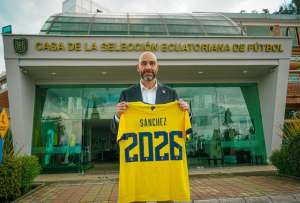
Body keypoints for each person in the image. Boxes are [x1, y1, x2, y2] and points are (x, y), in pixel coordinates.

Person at [111, 51, 190, 135]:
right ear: (138, 67)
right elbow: (115, 131)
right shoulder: (127, 94)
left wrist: (186, 113)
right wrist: (118, 116)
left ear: (157, 67)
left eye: (152, 63)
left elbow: (183, 127)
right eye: (144, 63)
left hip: (164, 147)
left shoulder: (171, 94)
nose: (148, 67)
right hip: (138, 147)